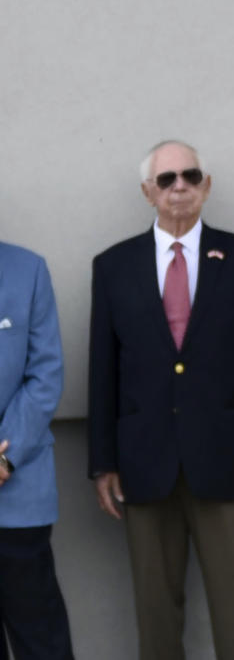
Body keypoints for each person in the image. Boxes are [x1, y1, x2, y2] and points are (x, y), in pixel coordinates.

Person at [87, 140, 234, 660]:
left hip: (228, 461)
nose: (179, 187)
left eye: (190, 176)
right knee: (155, 617)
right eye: (166, 179)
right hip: (142, 464)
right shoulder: (113, 267)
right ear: (147, 191)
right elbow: (103, 370)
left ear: (206, 185)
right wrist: (102, 462)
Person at [0, 242, 74, 659]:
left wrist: (5, 455)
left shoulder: (28, 270)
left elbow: (45, 373)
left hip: (18, 496)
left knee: (41, 643)